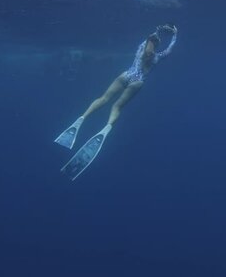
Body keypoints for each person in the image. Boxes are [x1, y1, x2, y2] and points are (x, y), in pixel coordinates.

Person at [54, 24, 178, 180]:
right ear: (157, 45)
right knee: (117, 106)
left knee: (104, 98)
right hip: (137, 81)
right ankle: (107, 127)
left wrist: (158, 30)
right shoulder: (156, 57)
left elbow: (150, 38)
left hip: (126, 75)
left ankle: (82, 117)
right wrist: (175, 35)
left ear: (147, 42)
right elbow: (169, 50)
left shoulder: (141, 49)